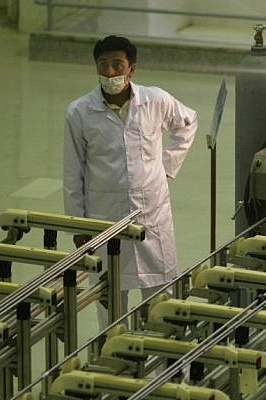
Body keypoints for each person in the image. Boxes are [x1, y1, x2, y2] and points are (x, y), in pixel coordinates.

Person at [63, 35, 197, 329]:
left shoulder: (155, 100)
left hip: (152, 216)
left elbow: (187, 123)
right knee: (110, 298)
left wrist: (165, 168)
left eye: (117, 65)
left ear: (131, 69)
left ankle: (167, 361)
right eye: (103, 64)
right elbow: (73, 174)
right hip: (105, 218)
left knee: (162, 298)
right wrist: (77, 224)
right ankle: (113, 359)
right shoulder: (79, 112)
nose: (110, 72)